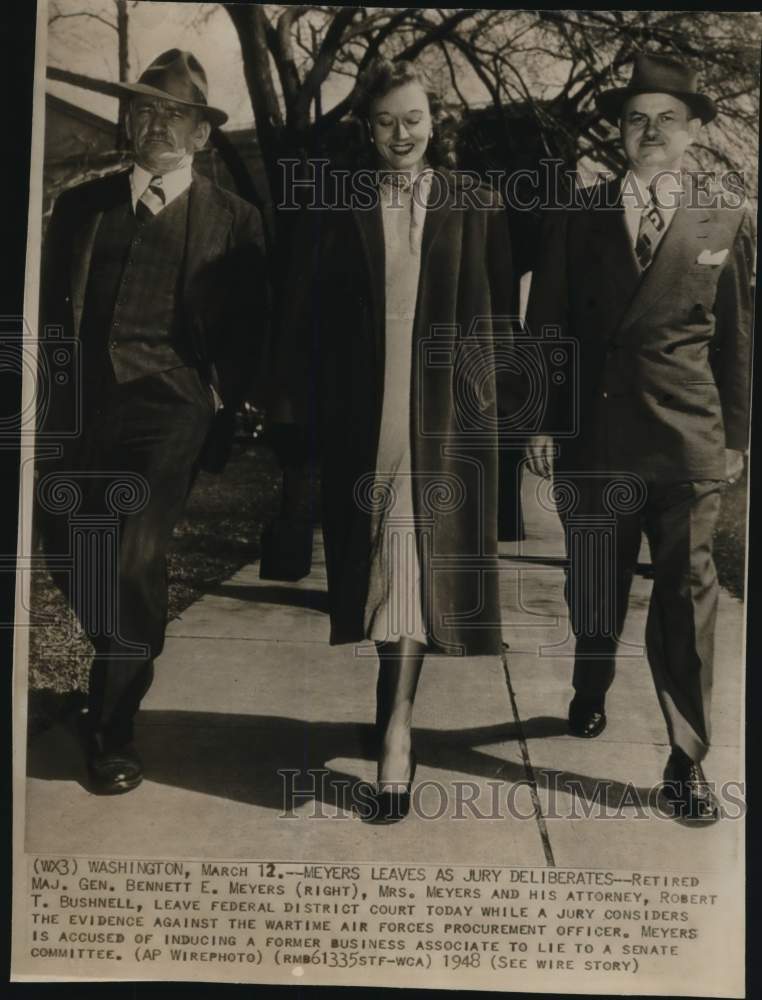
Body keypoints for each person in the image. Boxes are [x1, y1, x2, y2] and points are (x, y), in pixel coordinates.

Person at [272, 58, 514, 823]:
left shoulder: (477, 201)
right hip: (363, 413)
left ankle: (396, 739)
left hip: (445, 413)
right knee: (379, 564)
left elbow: (499, 316)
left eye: (413, 118)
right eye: (385, 121)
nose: (401, 134)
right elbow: (305, 319)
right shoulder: (338, 205)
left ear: (436, 120)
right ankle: (392, 711)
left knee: (410, 560)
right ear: (367, 129)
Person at [525, 53, 754, 820]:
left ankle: (685, 758)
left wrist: (738, 435)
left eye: (667, 119)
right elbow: (547, 327)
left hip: (688, 436)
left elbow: (737, 340)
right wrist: (545, 422)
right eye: (634, 118)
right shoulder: (579, 213)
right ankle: (592, 681)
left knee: (689, 596)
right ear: (618, 133)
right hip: (594, 432)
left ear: (692, 133)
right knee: (596, 586)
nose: (649, 131)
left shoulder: (724, 218)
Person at [39, 49, 268, 794]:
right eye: (142, 110)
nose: (155, 125)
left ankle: (112, 728)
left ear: (202, 135)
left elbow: (251, 331)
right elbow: (45, 313)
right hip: (78, 413)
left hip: (169, 411)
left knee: (134, 559)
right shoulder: (82, 206)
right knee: (71, 552)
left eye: (175, 114)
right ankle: (120, 657)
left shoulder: (235, 221)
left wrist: (223, 400)